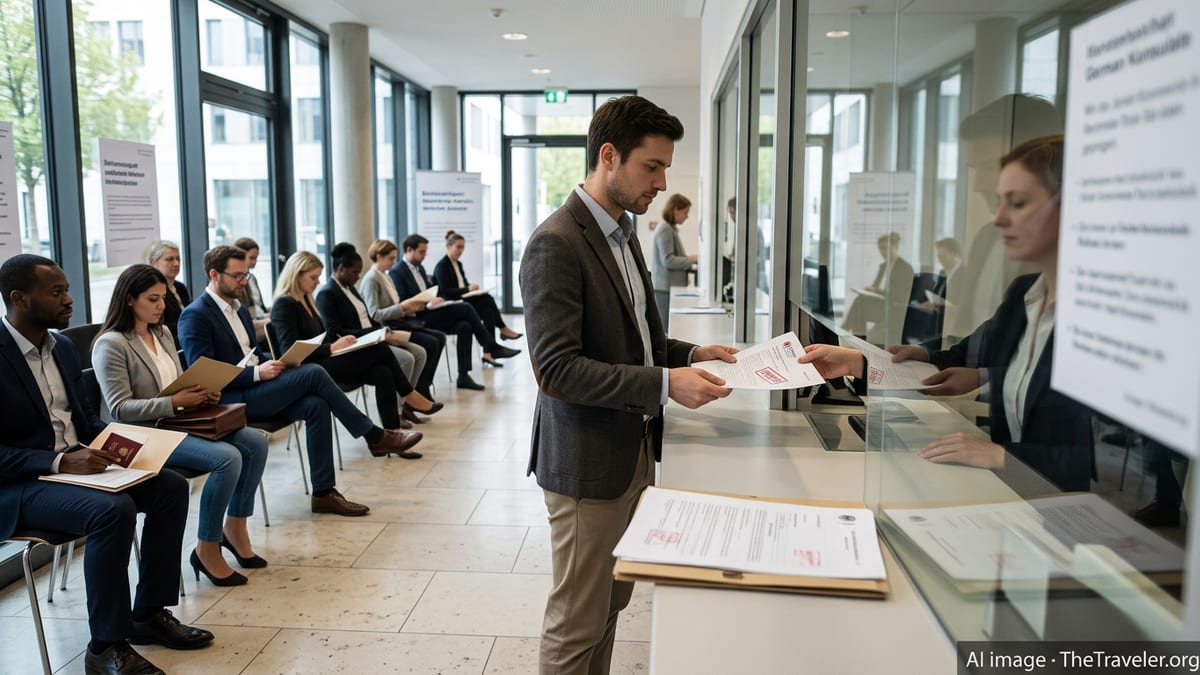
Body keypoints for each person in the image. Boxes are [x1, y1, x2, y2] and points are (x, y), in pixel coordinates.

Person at [520, 95, 738, 675]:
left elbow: (636, 339)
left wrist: (693, 353)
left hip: (632, 450)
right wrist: (668, 384)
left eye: (666, 167)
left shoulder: (623, 232)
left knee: (611, 604)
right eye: (653, 167)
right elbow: (557, 370)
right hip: (587, 466)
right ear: (609, 156)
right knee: (576, 622)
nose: (662, 182)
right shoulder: (557, 243)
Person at [803, 135, 1094, 492]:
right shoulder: (1026, 294)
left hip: (1059, 508)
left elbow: (1087, 461)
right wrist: (861, 362)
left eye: (1017, 203)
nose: (999, 219)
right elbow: (965, 357)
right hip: (1008, 492)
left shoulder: (1097, 314)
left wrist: (1001, 456)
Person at [0, 254, 213, 675]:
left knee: (169, 486)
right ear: (19, 299)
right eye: (57, 292)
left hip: (75, 467)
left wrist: (128, 445)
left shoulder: (60, 346)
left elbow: (86, 418)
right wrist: (59, 459)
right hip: (21, 483)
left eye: (67, 289)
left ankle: (147, 614)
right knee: (112, 512)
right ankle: (105, 646)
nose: (69, 300)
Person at [177, 245, 418, 516]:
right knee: (314, 372)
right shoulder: (195, 315)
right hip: (231, 400)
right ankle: (373, 435)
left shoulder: (240, 310)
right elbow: (205, 374)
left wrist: (270, 362)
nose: (244, 282)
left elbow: (250, 354)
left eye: (246, 275)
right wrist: (257, 373)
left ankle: (324, 493)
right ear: (214, 274)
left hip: (257, 386)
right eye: (237, 276)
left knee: (316, 404)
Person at [93, 264, 270, 586]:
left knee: (254, 442)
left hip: (173, 422)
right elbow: (119, 408)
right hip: (139, 435)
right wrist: (176, 402)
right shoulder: (112, 344)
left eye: (163, 298)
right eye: (153, 299)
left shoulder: (161, 332)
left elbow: (173, 385)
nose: (162, 306)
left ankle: (236, 527)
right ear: (130, 300)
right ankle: (207, 546)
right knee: (227, 458)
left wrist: (200, 393)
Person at [272, 248, 439, 448]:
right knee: (379, 350)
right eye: (313, 277)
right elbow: (288, 349)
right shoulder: (285, 304)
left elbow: (319, 336)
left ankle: (393, 434)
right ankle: (408, 394)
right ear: (296, 275)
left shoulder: (307, 301)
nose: (318, 282)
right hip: (310, 368)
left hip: (322, 360)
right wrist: (331, 347)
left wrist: (337, 346)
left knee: (383, 372)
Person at [389, 233, 521, 390]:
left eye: (425, 252)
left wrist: (434, 299)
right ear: (409, 250)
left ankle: (463, 376)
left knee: (465, 325)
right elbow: (404, 302)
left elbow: (431, 290)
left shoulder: (421, 269)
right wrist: (426, 302)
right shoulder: (398, 272)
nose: (424, 256)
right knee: (466, 307)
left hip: (430, 310)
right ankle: (490, 345)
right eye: (421, 252)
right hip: (417, 317)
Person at [360, 238, 444, 416]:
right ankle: (407, 401)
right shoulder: (371, 279)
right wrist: (403, 307)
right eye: (390, 258)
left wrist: (411, 306)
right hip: (385, 329)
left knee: (426, 346)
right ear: (379, 257)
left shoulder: (386, 276)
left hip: (398, 323)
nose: (394, 262)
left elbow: (395, 306)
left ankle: (411, 398)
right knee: (424, 346)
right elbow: (375, 314)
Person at [432, 230, 522, 363]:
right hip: (453, 303)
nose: (461, 250)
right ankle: (502, 330)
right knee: (487, 300)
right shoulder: (442, 266)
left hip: (463, 299)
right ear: (448, 247)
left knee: (488, 312)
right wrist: (468, 289)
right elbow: (446, 291)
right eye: (458, 247)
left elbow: (463, 284)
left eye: (463, 247)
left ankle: (488, 354)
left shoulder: (458, 264)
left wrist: (471, 288)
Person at [840, 231, 915, 344]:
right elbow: (877, 286)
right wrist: (870, 289)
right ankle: (857, 339)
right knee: (860, 303)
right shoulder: (883, 266)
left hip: (894, 308)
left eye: (885, 248)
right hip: (882, 304)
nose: (883, 252)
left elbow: (899, 295)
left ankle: (849, 333)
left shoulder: (905, 268)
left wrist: (877, 291)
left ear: (895, 247)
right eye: (880, 248)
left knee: (859, 304)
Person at [649, 193, 698, 330]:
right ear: (675, 209)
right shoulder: (665, 229)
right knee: (665, 329)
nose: (687, 216)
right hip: (664, 288)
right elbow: (668, 260)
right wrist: (692, 260)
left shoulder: (670, 229)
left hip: (667, 287)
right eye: (685, 212)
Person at [145, 239, 191, 343]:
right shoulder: (152, 292)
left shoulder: (180, 287)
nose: (176, 263)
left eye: (178, 259)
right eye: (169, 259)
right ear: (154, 262)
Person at [233, 237, 270, 347]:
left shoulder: (253, 278)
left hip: (259, 318)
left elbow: (260, 308)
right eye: (251, 258)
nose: (254, 262)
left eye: (256, 258)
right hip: (250, 323)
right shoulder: (235, 283)